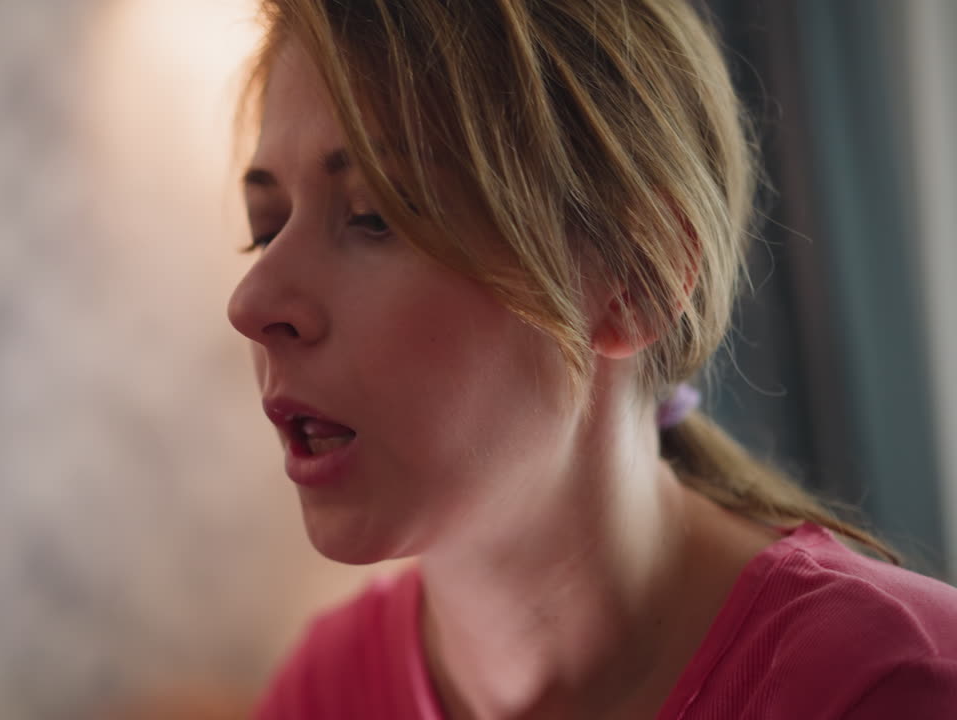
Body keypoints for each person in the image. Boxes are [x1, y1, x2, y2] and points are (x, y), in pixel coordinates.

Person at [225, 1, 957, 717]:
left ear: (638, 275)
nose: (251, 305)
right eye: (266, 228)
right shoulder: (324, 692)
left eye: (372, 217)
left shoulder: (893, 688)